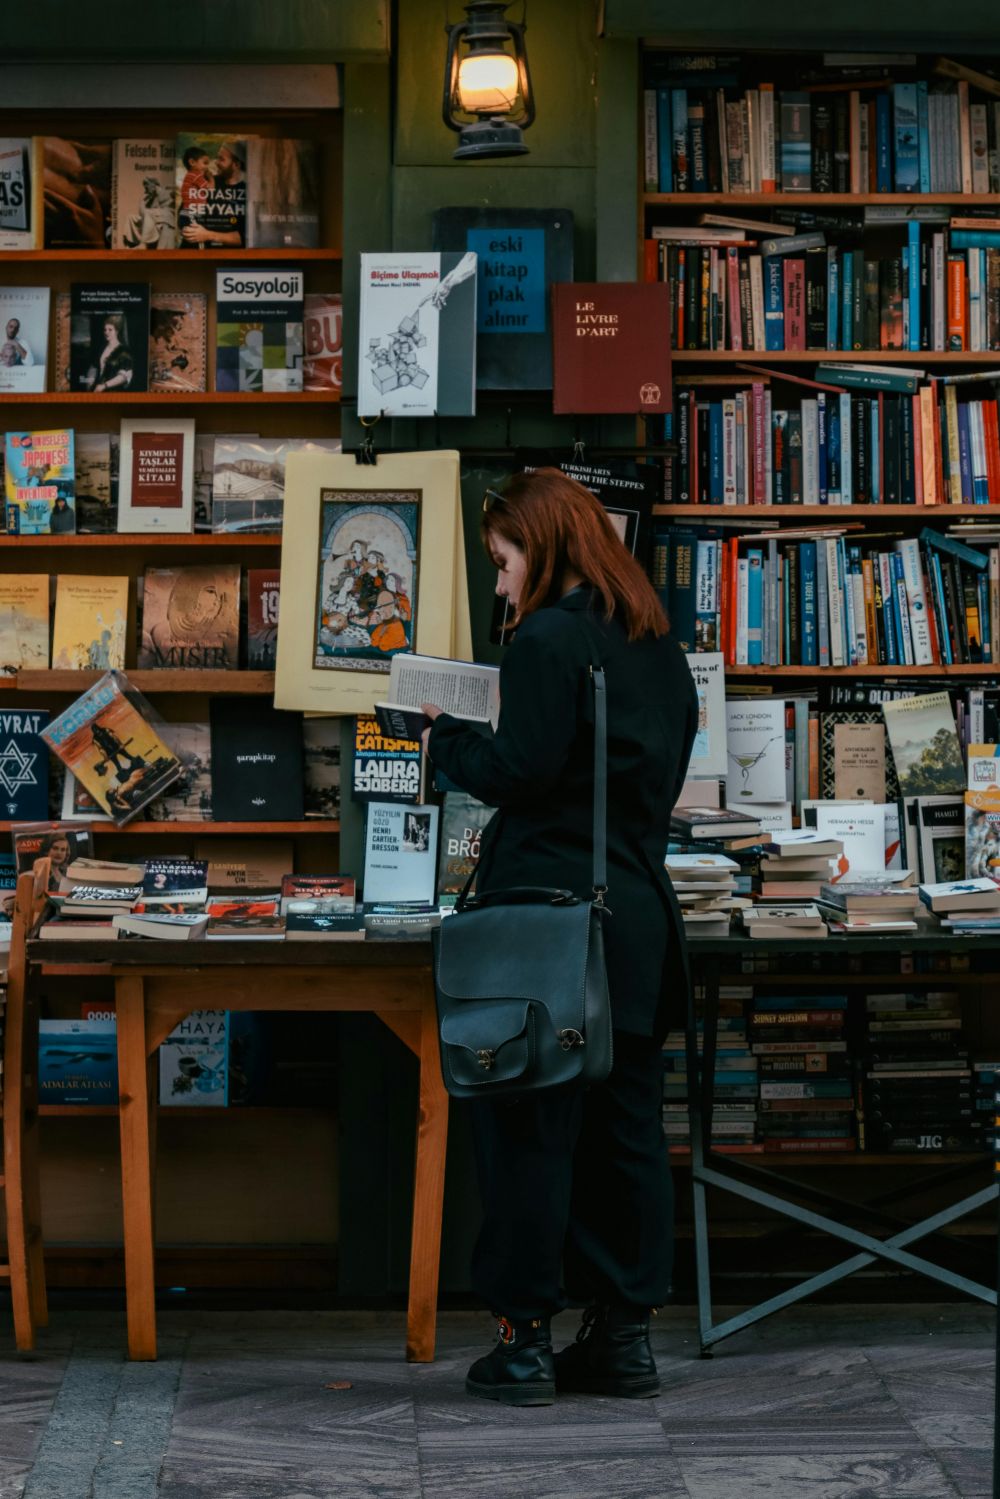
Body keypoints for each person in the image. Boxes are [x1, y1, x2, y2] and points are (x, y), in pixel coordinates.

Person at [422, 469, 698, 1407]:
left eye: (502, 562)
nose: (500, 584)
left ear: (539, 546)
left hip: (546, 925)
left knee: (528, 1129)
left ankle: (523, 1343)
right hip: (638, 919)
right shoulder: (657, 642)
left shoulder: (545, 638)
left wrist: (441, 741)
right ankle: (623, 1340)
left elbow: (519, 766)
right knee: (627, 1132)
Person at [82, 314, 133, 393]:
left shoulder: (124, 351)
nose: (106, 332)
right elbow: (95, 366)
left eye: (110, 330)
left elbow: (124, 377)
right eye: (105, 329)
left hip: (113, 392)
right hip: (97, 389)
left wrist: (104, 386)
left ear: (117, 331)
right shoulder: (102, 348)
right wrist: (89, 381)